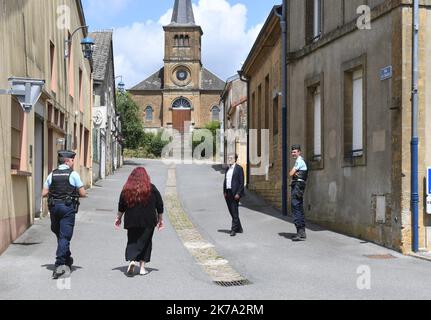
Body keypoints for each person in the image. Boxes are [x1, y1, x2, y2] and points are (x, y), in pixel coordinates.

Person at [42, 151, 86, 279]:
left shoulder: (52, 174)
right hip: (67, 208)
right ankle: (59, 265)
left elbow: (44, 193)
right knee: (65, 237)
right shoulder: (73, 174)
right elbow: (82, 193)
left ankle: (67, 258)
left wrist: (55, 192)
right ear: (67, 161)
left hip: (54, 207)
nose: (73, 163)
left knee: (59, 234)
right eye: (72, 160)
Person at [115, 167, 164, 277]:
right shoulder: (151, 188)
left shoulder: (127, 188)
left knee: (132, 240)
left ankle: (132, 260)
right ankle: (142, 268)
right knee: (146, 242)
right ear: (146, 176)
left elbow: (121, 205)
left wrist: (118, 217)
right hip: (149, 220)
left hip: (131, 219)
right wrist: (160, 219)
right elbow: (159, 204)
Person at [289, 145, 308, 242]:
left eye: (295, 152)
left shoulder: (299, 161)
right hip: (299, 186)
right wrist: (295, 173)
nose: (293, 154)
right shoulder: (300, 161)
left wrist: (294, 173)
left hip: (297, 186)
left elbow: (291, 173)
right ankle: (302, 232)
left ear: (299, 152)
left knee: (295, 207)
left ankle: (300, 233)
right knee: (299, 207)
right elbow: (293, 173)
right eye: (292, 152)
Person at [223, 154, 245, 237]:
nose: (230, 159)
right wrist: (224, 191)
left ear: (235, 159)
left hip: (235, 193)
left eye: (231, 158)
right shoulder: (227, 169)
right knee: (231, 211)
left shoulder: (239, 169)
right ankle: (239, 228)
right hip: (228, 192)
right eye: (229, 158)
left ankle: (233, 229)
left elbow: (241, 182)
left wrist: (238, 193)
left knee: (234, 210)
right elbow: (226, 181)